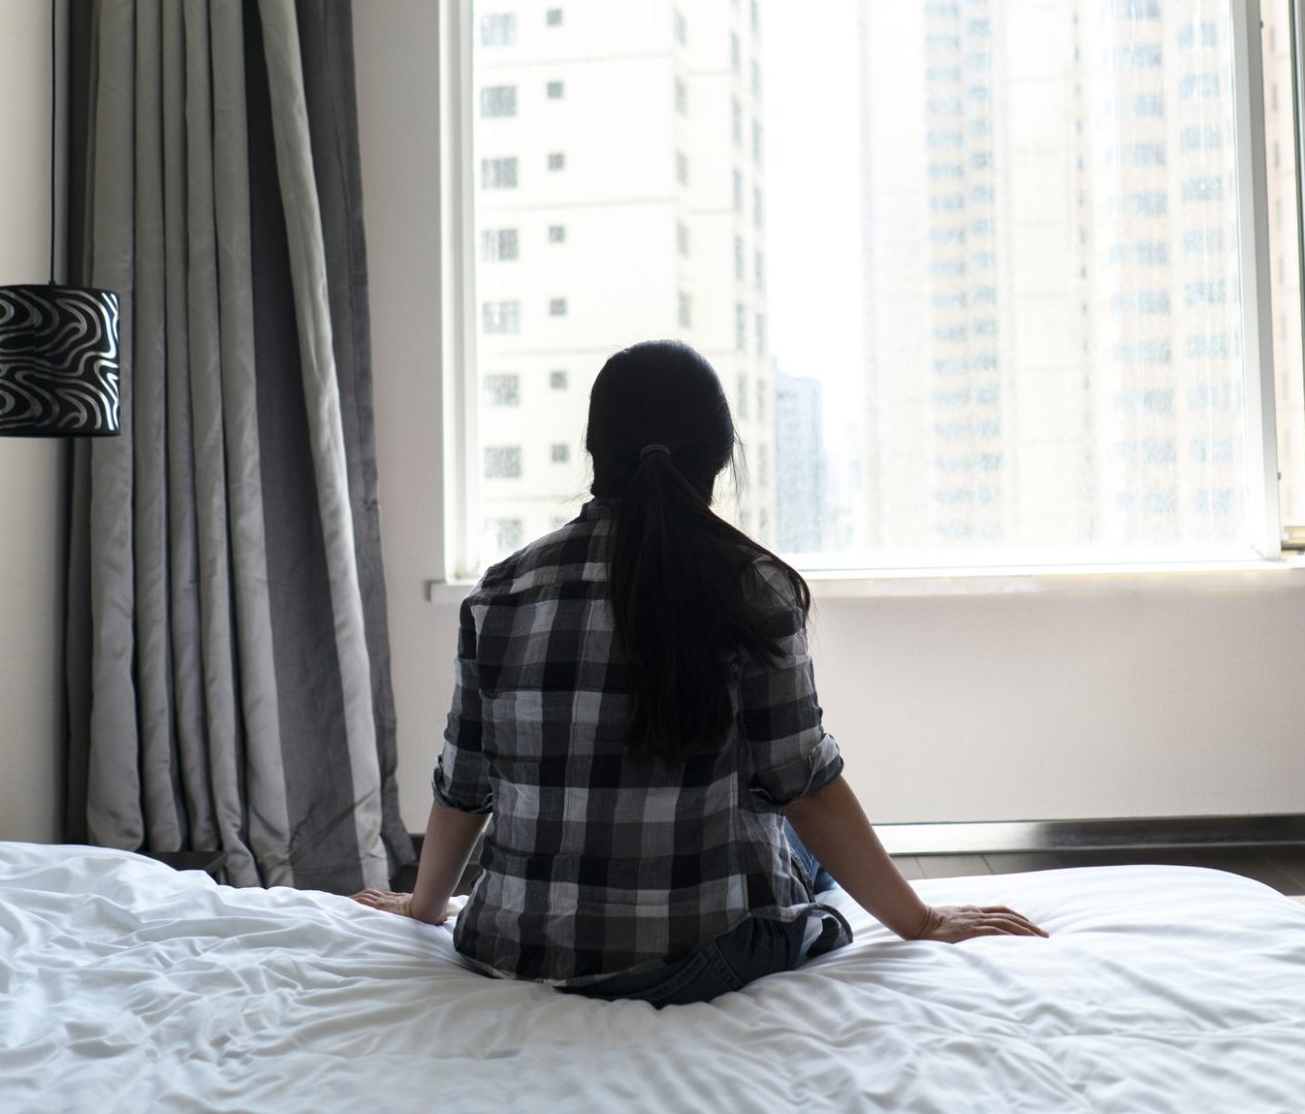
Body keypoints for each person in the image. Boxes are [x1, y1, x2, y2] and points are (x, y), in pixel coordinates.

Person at [353, 340, 1047, 1005]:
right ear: (718, 456)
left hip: (513, 945)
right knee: (801, 844)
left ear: (594, 448)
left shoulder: (501, 593)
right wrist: (921, 921)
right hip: (700, 955)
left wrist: (423, 908)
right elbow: (804, 789)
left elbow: (465, 785)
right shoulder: (752, 586)